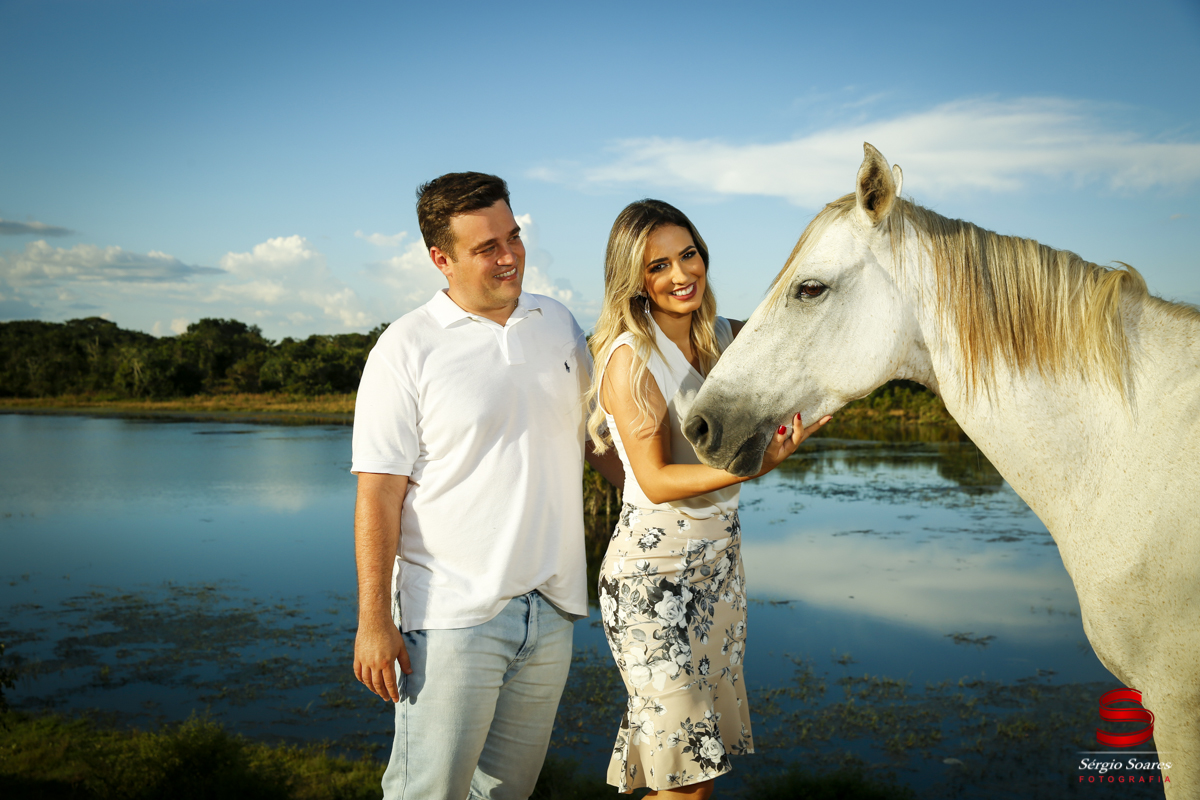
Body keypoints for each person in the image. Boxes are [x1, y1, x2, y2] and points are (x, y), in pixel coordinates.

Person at [351, 172, 622, 800]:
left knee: (505, 794)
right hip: (450, 618)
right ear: (440, 259)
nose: (509, 256)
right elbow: (378, 494)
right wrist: (373, 621)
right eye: (487, 247)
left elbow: (596, 442)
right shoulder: (405, 348)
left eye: (513, 237)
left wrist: (678, 489)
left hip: (553, 606)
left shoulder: (556, 322)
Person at [586, 200, 830, 798]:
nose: (681, 274)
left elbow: (809, 334)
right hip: (653, 578)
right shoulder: (630, 356)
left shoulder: (725, 339)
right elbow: (654, 479)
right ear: (634, 279)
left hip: (720, 569)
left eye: (688, 254)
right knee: (687, 778)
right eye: (658, 265)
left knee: (695, 776)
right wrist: (752, 464)